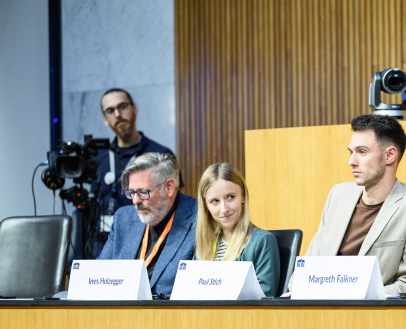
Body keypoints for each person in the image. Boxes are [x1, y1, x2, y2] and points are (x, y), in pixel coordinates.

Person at [291, 114, 406, 296]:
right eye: (351, 152)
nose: (351, 161)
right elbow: (309, 264)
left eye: (362, 152)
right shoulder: (337, 195)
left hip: (373, 315)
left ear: (390, 155)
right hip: (321, 308)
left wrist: (355, 296)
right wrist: (297, 290)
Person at [91, 88, 176, 257]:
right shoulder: (97, 158)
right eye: (110, 110)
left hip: (146, 243)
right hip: (102, 245)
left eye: (122, 107)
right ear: (105, 119)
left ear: (134, 109)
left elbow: (174, 202)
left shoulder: (160, 154)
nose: (117, 114)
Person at [99, 152, 196, 298]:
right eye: (132, 192)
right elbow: (98, 277)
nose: (135, 201)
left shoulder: (199, 218)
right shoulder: (123, 218)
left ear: (169, 187)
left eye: (143, 192)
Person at [194, 163, 280, 297]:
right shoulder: (204, 246)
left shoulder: (263, 241)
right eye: (215, 201)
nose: (224, 209)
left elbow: (264, 300)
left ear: (243, 196)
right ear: (206, 205)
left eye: (230, 197)